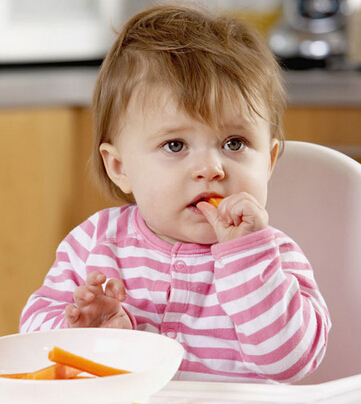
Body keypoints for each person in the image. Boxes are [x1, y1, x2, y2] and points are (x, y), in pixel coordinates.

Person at [20, 3, 331, 384]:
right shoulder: (93, 246)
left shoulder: (271, 256)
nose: (211, 168)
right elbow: (32, 336)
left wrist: (247, 260)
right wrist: (85, 333)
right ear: (120, 168)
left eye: (234, 143)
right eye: (175, 145)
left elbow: (291, 362)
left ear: (268, 161)